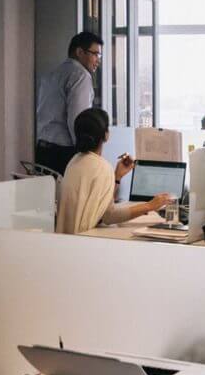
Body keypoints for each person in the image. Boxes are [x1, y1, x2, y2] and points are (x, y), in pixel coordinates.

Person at [57, 108, 173, 234]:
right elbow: (109, 216)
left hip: (67, 241)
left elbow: (99, 206)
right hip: (84, 242)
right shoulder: (102, 167)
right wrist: (151, 205)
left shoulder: (74, 161)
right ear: (106, 135)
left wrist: (117, 176)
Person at [36, 32, 104, 175]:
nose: (98, 60)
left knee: (48, 196)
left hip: (42, 150)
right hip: (64, 154)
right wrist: (87, 155)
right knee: (71, 197)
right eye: (95, 54)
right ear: (79, 52)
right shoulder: (80, 75)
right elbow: (79, 120)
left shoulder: (53, 74)